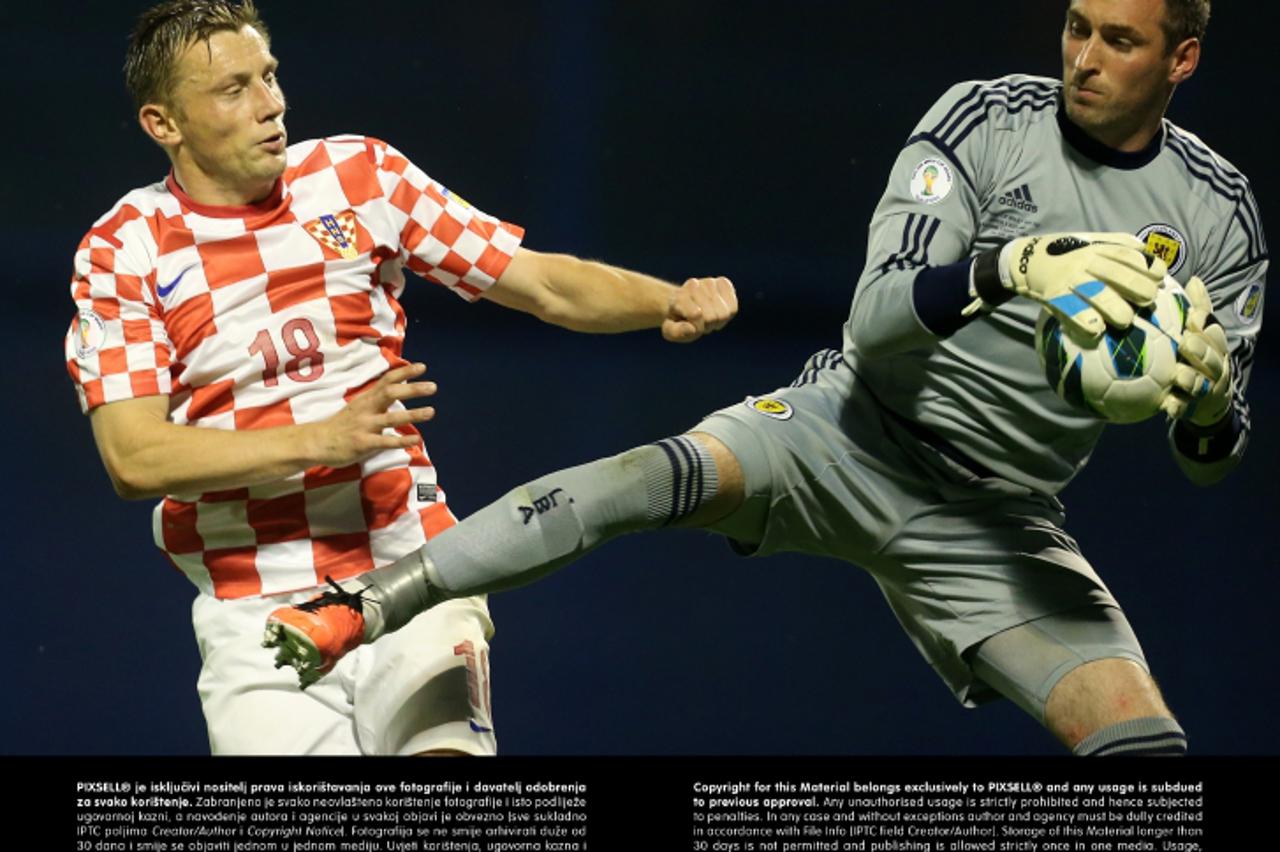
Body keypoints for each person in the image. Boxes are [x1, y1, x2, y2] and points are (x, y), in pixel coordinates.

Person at [267, 0, 1265, 755]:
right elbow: (876, 325)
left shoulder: (1217, 216)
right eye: (1075, 27)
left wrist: (1213, 406)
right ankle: (365, 601)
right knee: (643, 480)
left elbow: (1208, 463)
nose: (1082, 58)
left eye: (1119, 42)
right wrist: (1012, 266)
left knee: (1144, 752)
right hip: (843, 428)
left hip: (998, 517)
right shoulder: (982, 123)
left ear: (1181, 58)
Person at [63, 0, 737, 756]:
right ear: (164, 124)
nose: (271, 104)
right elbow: (135, 457)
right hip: (253, 612)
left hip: (408, 567)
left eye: (271, 76)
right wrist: (322, 438)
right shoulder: (124, 250)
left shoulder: (362, 177)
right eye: (234, 90)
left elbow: (543, 283)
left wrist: (665, 301)